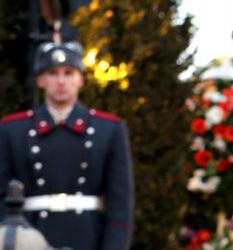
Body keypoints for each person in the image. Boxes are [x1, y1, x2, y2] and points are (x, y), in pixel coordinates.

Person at [0, 40, 134, 250]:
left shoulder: (109, 129)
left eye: (68, 72)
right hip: (29, 239)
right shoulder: (13, 129)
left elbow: (120, 207)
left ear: (80, 79)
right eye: (52, 73)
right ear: (41, 80)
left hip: (87, 239)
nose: (61, 81)